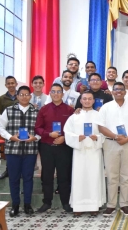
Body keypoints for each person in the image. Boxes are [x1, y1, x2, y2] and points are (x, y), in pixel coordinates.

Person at [98, 82, 128, 216]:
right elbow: (101, 127)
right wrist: (116, 136)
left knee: (125, 176)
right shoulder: (106, 108)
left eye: (121, 89)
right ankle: (111, 205)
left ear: (125, 92)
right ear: (112, 92)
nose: (118, 91)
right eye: (116, 89)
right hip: (111, 143)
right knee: (112, 176)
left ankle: (124, 204)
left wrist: (127, 139)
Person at [0, 85, 40, 217]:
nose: (24, 97)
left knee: (28, 178)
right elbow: (0, 127)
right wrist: (10, 137)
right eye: (21, 94)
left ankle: (27, 205)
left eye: (27, 94)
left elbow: (41, 130)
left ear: (30, 96)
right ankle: (15, 205)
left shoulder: (36, 112)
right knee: (14, 179)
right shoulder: (9, 110)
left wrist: (35, 137)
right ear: (17, 96)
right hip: (12, 151)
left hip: (30, 150)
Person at [64, 91, 106, 216]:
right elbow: (67, 132)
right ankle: (78, 206)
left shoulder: (99, 115)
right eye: (84, 99)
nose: (87, 101)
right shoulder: (74, 116)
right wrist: (77, 137)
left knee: (94, 178)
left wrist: (97, 137)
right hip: (80, 152)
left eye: (89, 99)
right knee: (79, 178)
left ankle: (94, 205)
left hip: (94, 151)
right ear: (81, 101)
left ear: (93, 101)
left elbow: (105, 133)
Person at [35, 83, 75, 213]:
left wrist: (64, 137)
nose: (56, 94)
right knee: (47, 176)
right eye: (53, 92)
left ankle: (65, 202)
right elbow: (38, 128)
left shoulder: (69, 110)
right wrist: (48, 134)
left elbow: (73, 129)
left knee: (64, 176)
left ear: (63, 94)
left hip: (64, 148)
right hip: (47, 147)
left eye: (59, 92)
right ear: (50, 94)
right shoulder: (44, 109)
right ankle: (47, 202)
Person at [0, 76, 19, 180]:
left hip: (21, 127)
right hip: (8, 128)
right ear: (6, 85)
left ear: (16, 84)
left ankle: (21, 171)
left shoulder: (22, 95)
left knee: (22, 149)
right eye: (8, 83)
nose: (11, 85)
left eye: (12, 83)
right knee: (9, 150)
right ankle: (8, 170)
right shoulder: (1, 99)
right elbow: (2, 113)